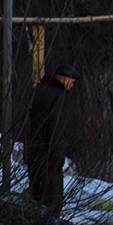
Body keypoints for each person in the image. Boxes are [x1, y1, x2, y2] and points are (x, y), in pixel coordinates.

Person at [24, 63, 80, 217]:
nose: (73, 86)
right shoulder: (59, 97)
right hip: (48, 157)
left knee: (37, 198)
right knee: (52, 203)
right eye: (72, 82)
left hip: (33, 153)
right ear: (65, 80)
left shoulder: (36, 91)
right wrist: (56, 157)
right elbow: (56, 129)